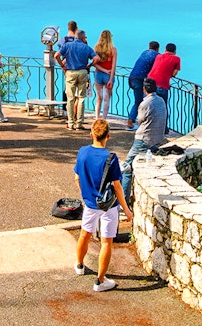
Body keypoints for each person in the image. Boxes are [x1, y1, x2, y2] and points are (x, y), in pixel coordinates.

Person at [73, 118, 133, 292]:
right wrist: (127, 210)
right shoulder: (111, 158)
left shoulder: (82, 152)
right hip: (109, 205)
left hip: (90, 203)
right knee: (106, 241)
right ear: (108, 136)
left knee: (85, 234)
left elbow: (77, 178)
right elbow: (117, 187)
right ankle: (100, 281)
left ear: (91, 135)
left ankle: (79, 265)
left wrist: (84, 195)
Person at [121, 78, 167, 202]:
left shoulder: (145, 103)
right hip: (158, 138)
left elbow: (140, 120)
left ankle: (123, 200)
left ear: (144, 89)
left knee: (127, 167)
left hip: (144, 138)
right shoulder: (161, 100)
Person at [56, 30, 99, 130]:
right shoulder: (86, 47)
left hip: (70, 72)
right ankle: (79, 123)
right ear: (83, 38)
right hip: (82, 72)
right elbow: (97, 58)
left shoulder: (67, 45)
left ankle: (70, 123)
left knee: (70, 98)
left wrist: (62, 66)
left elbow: (56, 55)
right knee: (81, 98)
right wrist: (90, 65)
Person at [127, 41, 160, 130]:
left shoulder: (144, 52)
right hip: (140, 79)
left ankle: (133, 120)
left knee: (139, 101)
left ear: (149, 47)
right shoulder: (157, 55)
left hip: (132, 77)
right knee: (143, 101)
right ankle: (136, 121)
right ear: (157, 49)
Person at [146, 43, 180, 123]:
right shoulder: (176, 59)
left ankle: (148, 123)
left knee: (149, 105)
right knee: (162, 107)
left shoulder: (158, 56)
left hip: (150, 82)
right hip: (162, 84)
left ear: (165, 50)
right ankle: (163, 127)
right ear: (175, 52)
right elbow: (174, 73)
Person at [92, 30, 117, 120]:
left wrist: (103, 70)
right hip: (108, 75)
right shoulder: (113, 50)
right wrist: (110, 79)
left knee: (99, 98)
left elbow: (94, 64)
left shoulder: (96, 48)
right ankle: (104, 119)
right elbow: (113, 66)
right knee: (106, 99)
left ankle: (97, 118)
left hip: (98, 74)